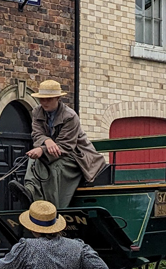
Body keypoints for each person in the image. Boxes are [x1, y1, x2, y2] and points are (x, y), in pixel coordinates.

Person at [23, 79, 108, 210]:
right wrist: (47, 141)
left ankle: (52, 207)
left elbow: (66, 146)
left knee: (54, 168)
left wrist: (42, 149)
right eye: (42, 99)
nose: (44, 102)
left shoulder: (70, 116)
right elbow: (36, 134)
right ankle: (30, 192)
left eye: (48, 99)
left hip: (76, 156)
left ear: (57, 98)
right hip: (53, 151)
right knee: (33, 159)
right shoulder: (36, 112)